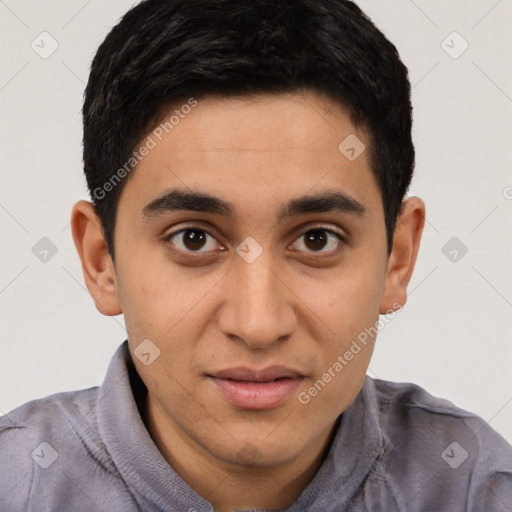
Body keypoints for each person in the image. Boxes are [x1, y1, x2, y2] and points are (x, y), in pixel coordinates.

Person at [1, 0, 511, 510]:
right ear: (101, 261)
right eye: (194, 239)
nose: (258, 324)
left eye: (317, 239)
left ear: (397, 259)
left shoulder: (474, 487)